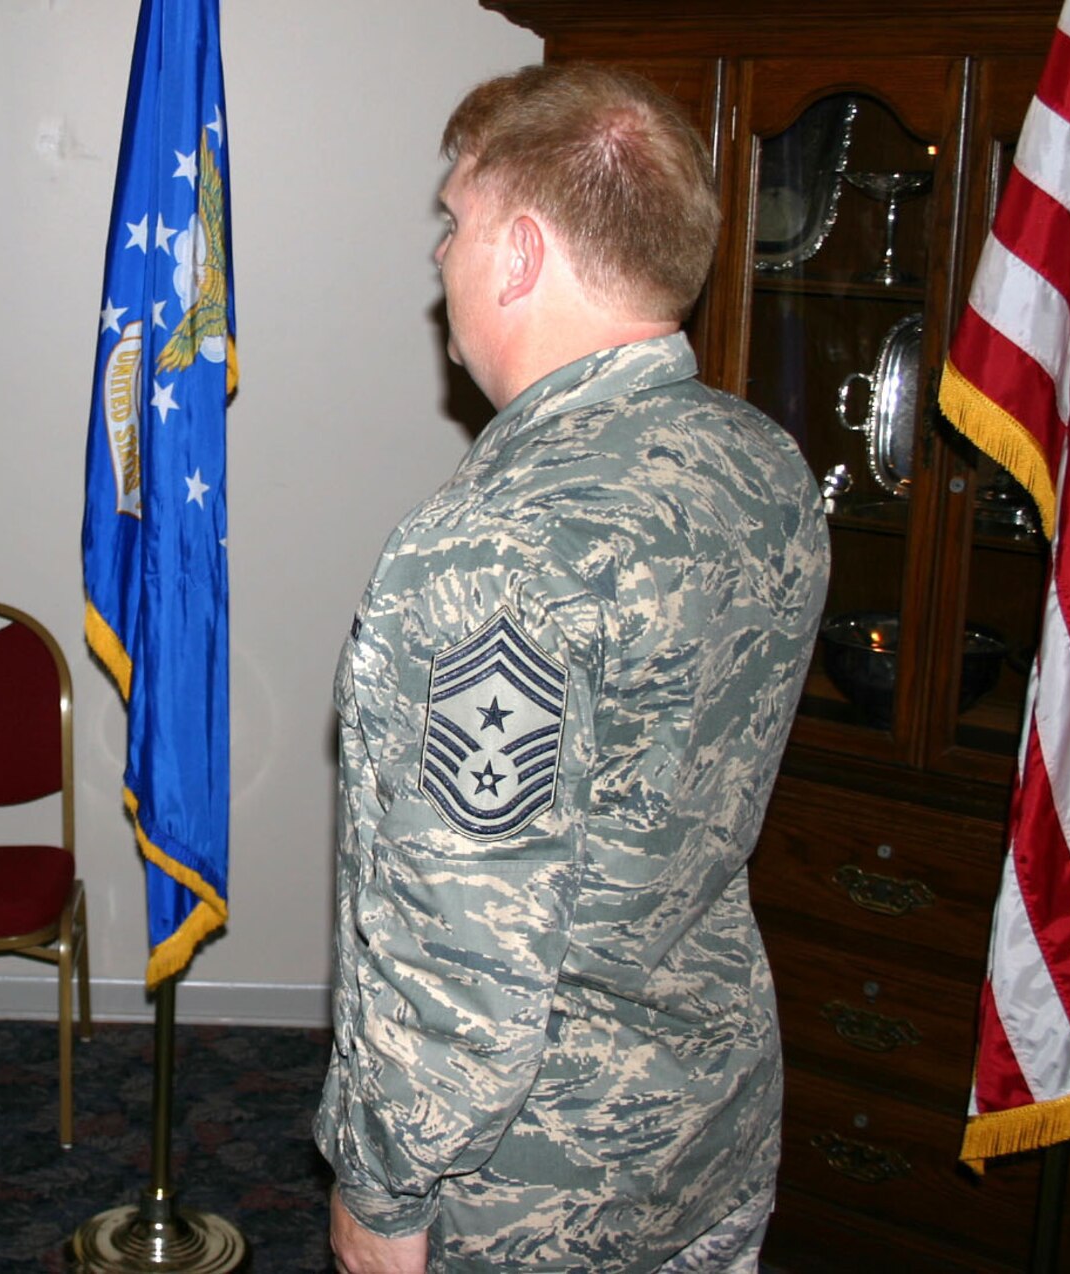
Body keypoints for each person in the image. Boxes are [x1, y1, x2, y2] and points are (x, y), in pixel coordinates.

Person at [314, 62, 829, 1273]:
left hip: (528, 1194)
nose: (439, 258)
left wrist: (384, 1191)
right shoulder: (762, 465)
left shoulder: (492, 548)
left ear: (518, 254)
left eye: (455, 221)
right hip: (706, 1124)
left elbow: (463, 947)